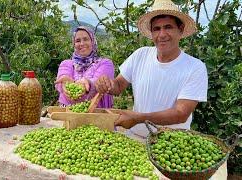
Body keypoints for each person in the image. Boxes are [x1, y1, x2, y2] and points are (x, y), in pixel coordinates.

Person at [95, 0, 208, 138]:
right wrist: (107, 83)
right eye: (156, 29)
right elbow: (118, 86)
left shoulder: (195, 67)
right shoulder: (140, 55)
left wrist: (138, 118)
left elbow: (181, 114)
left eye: (168, 27)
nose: (162, 34)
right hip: (135, 140)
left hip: (171, 144)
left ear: (181, 29)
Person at [55, 26, 115, 108]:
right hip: (68, 116)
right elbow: (64, 74)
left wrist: (88, 84)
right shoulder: (66, 64)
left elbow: (100, 82)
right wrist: (65, 82)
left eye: (86, 39)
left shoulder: (105, 63)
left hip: (96, 116)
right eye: (78, 41)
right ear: (74, 44)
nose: (82, 44)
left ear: (93, 41)